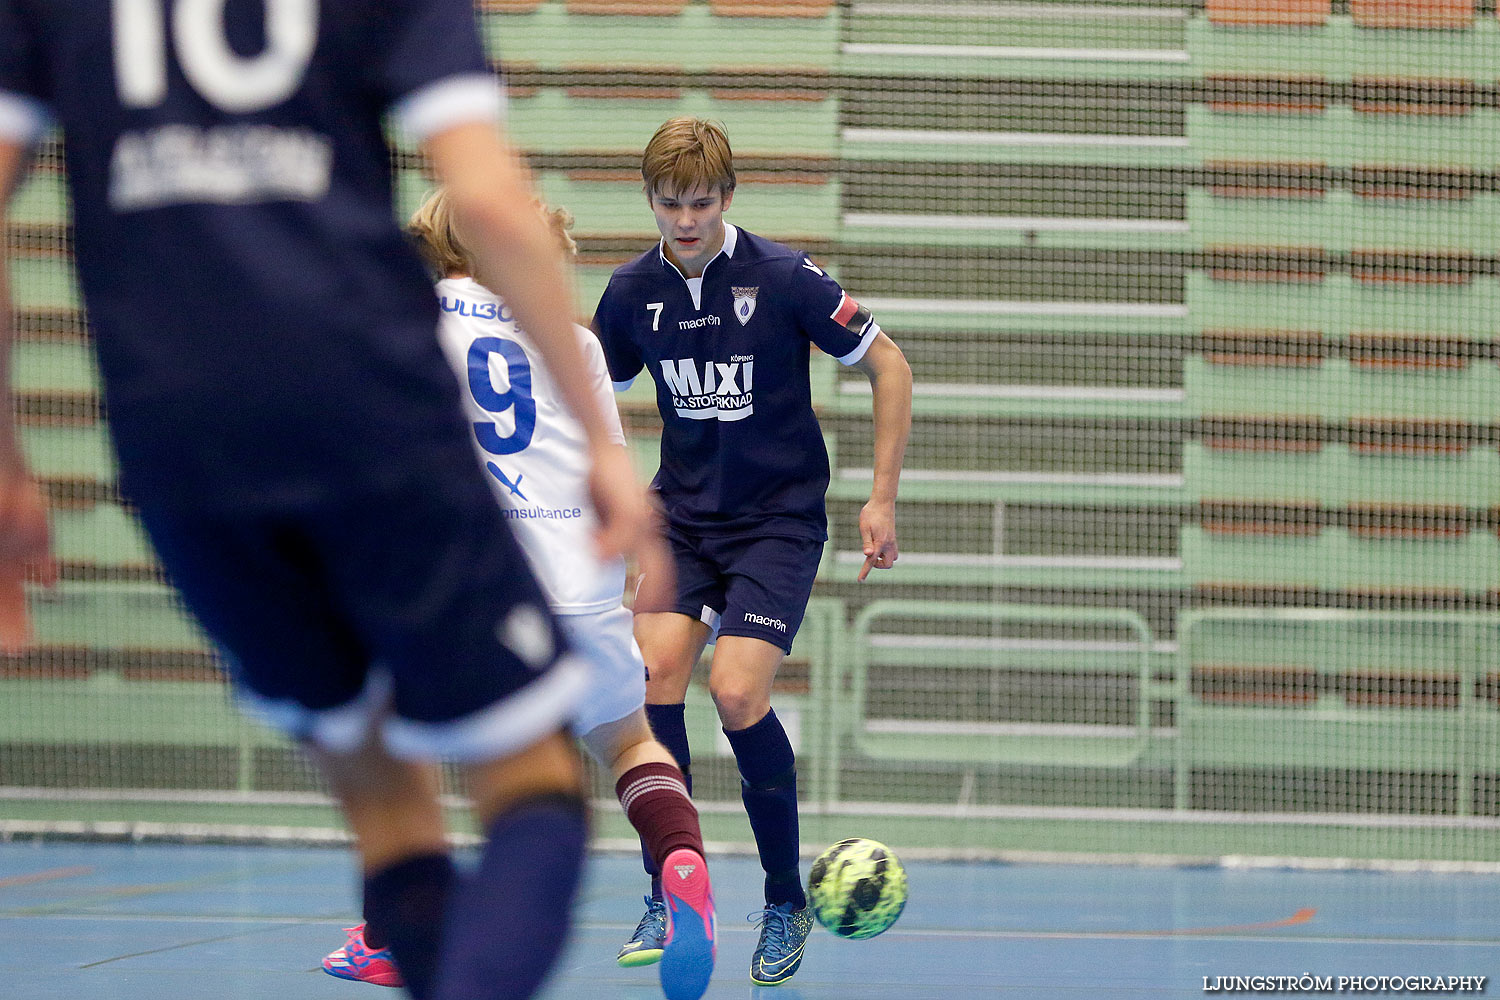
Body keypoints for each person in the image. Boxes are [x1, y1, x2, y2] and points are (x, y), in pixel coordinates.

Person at [0, 4, 658, 1000]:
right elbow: (488, 199)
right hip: (361, 397)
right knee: (535, 780)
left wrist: (8, 462)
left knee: (383, 796)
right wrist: (598, 435)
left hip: (174, 437)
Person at [321, 191, 715, 1000]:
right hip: (582, 584)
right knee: (630, 743)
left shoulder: (415, 316)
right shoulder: (575, 344)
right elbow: (614, 475)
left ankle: (390, 934)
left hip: (483, 584)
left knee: (402, 755)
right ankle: (680, 861)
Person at [592, 116, 913, 986]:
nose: (685, 219)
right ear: (649, 201)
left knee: (735, 690)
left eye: (700, 203)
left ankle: (783, 899)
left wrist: (879, 498)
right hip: (683, 519)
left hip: (777, 520)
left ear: (728, 199)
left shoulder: (783, 277)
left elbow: (891, 364)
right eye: (669, 203)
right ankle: (672, 885)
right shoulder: (629, 293)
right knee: (651, 675)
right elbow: (589, 392)